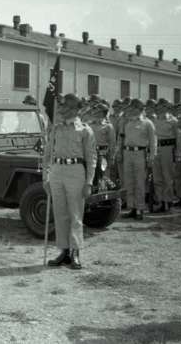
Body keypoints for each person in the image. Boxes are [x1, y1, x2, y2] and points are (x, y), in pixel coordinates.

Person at [43, 93, 96, 269]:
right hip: (57, 171)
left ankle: (75, 252)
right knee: (60, 213)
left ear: (74, 109)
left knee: (75, 214)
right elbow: (47, 154)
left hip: (75, 171)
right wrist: (46, 177)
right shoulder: (56, 129)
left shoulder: (85, 130)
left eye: (65, 107)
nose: (61, 110)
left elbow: (91, 158)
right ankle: (64, 251)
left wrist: (89, 182)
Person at [120, 99, 157, 220]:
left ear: (140, 109)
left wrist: (152, 157)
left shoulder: (147, 123)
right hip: (127, 152)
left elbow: (153, 142)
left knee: (140, 182)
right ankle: (132, 207)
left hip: (140, 153)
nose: (131, 109)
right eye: (131, 107)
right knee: (129, 181)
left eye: (134, 107)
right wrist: (120, 152)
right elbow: (121, 139)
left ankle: (140, 209)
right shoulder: (127, 122)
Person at [152, 99, 181, 212]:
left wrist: (178, 152)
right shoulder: (154, 120)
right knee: (157, 177)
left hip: (168, 148)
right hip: (156, 148)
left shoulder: (173, 120)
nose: (161, 108)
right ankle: (160, 201)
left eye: (163, 106)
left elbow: (178, 137)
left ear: (167, 107)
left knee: (167, 176)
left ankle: (168, 201)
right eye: (159, 106)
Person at [88, 102, 116, 189]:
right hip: (91, 153)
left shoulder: (108, 126)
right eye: (95, 111)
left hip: (103, 154)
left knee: (104, 176)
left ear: (103, 113)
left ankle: (105, 194)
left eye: (97, 111)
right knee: (92, 176)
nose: (95, 112)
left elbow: (112, 143)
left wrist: (111, 157)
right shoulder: (90, 125)